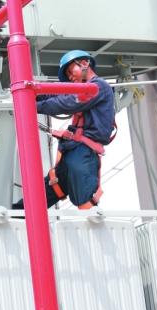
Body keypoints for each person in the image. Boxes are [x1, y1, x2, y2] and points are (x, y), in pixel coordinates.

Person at [12, 50, 116, 210]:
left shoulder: (98, 87)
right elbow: (56, 94)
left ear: (85, 63)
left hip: (83, 154)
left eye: (70, 71)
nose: (70, 77)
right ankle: (17, 213)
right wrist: (30, 93)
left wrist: (30, 106)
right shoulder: (83, 89)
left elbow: (66, 103)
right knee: (48, 190)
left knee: (86, 207)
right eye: (67, 75)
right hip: (72, 152)